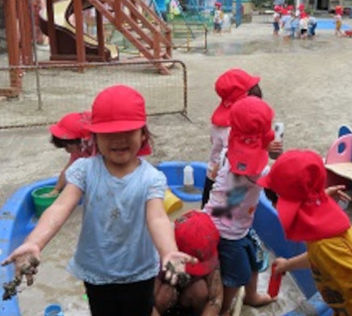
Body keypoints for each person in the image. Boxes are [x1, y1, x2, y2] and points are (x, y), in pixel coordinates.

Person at [1, 85, 196, 316]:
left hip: (138, 270)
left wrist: (169, 251)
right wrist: (35, 241)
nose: (119, 140)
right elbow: (60, 207)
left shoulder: (150, 178)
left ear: (143, 134)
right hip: (96, 269)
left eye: (128, 131)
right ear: (94, 137)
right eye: (109, 133)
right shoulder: (85, 170)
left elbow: (157, 218)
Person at [257, 150, 352, 316]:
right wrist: (288, 265)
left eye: (274, 200)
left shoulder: (325, 244)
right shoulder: (324, 225)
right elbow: (318, 257)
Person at [204, 96, 277, 315]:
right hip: (227, 232)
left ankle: (252, 296)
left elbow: (221, 174)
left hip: (226, 217)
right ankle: (224, 309)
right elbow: (280, 181)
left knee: (253, 260)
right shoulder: (258, 171)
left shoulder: (229, 152)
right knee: (234, 276)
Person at [201, 69, 262, 209]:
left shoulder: (219, 122)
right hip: (225, 181)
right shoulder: (232, 128)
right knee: (225, 220)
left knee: (207, 214)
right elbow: (232, 155)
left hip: (211, 176)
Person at [153, 211, 223, 316]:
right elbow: (145, 304)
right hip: (167, 289)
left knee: (200, 290)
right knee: (163, 296)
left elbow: (215, 298)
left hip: (188, 294)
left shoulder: (207, 248)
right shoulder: (157, 254)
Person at [47, 111, 94, 197]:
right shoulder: (79, 149)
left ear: (78, 140)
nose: (67, 150)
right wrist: (56, 189)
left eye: (67, 146)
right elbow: (68, 169)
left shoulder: (97, 146)